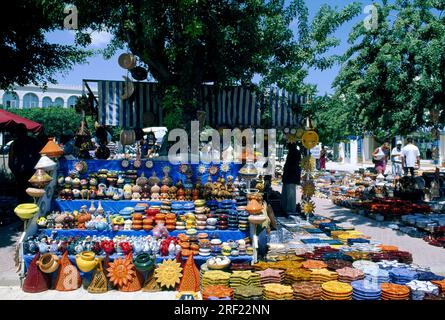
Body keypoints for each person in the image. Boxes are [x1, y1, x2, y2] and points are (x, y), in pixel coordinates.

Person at [8, 124, 41, 202]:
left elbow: (10, 162)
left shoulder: (15, 143)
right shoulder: (34, 141)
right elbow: (41, 156)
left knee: (22, 196)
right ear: (26, 131)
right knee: (33, 195)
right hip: (31, 172)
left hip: (22, 173)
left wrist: (15, 172)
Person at [281, 142, 301, 215]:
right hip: (289, 176)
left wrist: (287, 168)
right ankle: (286, 208)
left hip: (291, 176)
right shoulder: (292, 152)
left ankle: (290, 210)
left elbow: (294, 165)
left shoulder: (295, 152)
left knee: (290, 194)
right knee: (286, 193)